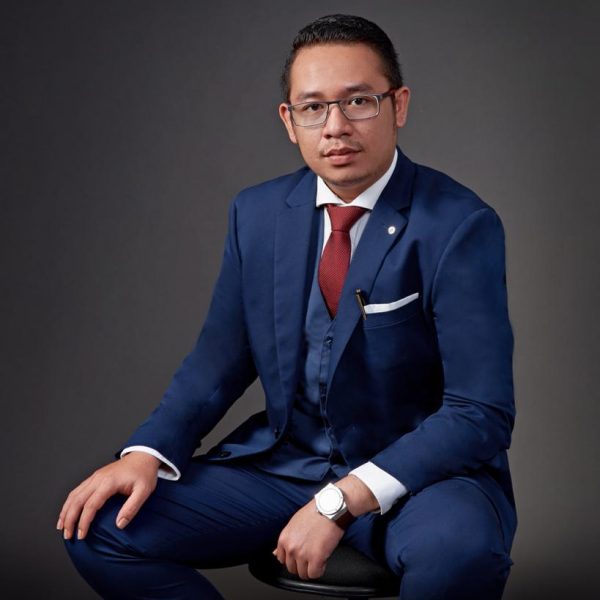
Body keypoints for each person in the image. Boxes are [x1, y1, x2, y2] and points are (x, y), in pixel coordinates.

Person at [58, 14, 517, 600]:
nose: (336, 126)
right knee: (99, 525)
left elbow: (479, 411)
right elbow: (216, 365)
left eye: (359, 101)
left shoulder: (459, 224)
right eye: (313, 107)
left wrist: (341, 501)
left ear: (398, 105)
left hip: (417, 483)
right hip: (284, 470)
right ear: (289, 120)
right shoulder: (257, 215)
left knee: (461, 554)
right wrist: (148, 452)